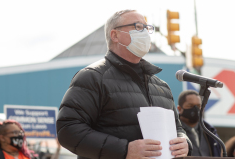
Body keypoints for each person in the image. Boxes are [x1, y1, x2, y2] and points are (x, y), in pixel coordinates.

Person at [57, 9, 192, 159]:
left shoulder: (162, 86)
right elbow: (68, 129)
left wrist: (185, 142)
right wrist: (124, 150)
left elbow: (178, 128)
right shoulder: (93, 77)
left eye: (147, 28)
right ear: (115, 35)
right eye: (138, 27)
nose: (145, 33)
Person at [177, 90, 221, 157]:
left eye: (198, 106)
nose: (196, 109)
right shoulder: (172, 131)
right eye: (190, 106)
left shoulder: (210, 132)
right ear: (179, 109)